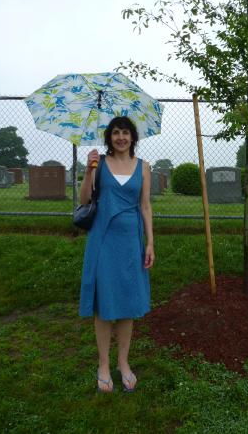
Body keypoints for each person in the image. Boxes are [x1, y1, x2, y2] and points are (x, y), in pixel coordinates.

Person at [78, 116, 155, 393]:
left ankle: (123, 363)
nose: (120, 137)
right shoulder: (99, 164)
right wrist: (88, 171)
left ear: (133, 137)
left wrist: (150, 243)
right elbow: (84, 200)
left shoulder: (144, 167)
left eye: (125, 132)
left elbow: (145, 207)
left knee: (127, 303)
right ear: (109, 137)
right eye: (115, 133)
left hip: (131, 242)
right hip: (103, 240)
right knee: (104, 304)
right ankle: (103, 364)